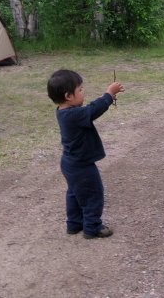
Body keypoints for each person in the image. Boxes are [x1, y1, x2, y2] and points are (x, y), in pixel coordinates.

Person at [47, 69, 124, 239]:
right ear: (68, 96)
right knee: (93, 194)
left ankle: (74, 224)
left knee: (75, 192)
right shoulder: (74, 114)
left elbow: (88, 110)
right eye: (80, 90)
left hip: (69, 163)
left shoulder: (63, 111)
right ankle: (92, 227)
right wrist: (109, 94)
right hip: (81, 166)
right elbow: (93, 110)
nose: (83, 92)